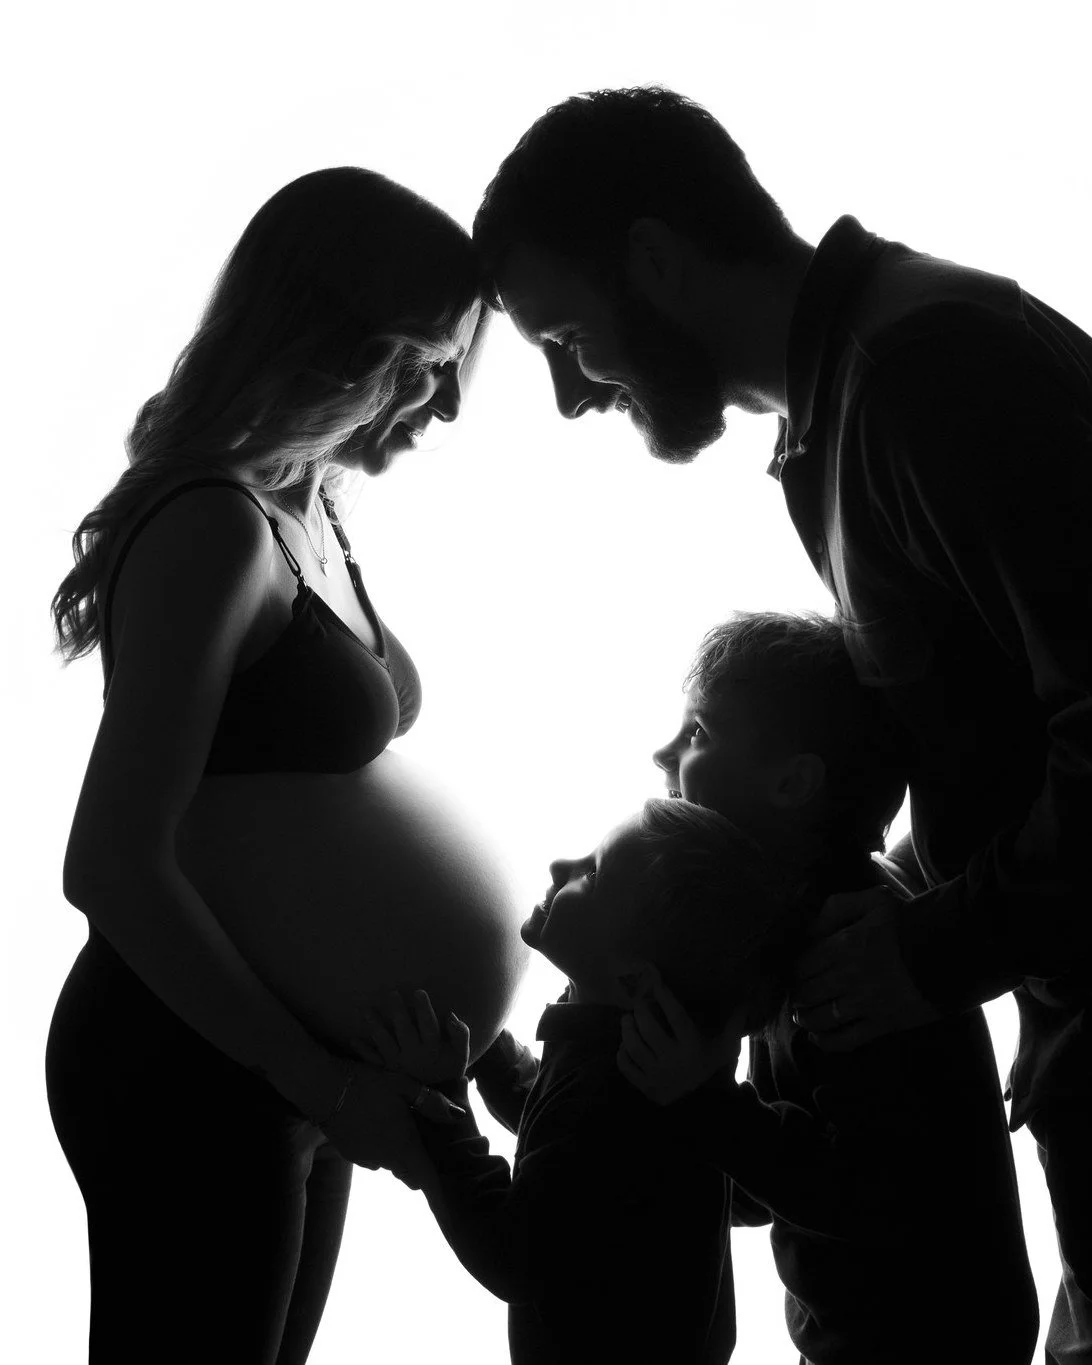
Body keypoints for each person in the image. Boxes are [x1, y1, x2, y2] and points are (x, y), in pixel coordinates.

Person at [472, 86, 1092, 1362]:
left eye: (570, 338)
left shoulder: (928, 373)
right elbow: (990, 745)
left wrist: (928, 949)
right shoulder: (844, 417)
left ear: (655, 260)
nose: (574, 396)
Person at [46, 167, 528, 1365]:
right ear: (327, 340)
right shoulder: (211, 525)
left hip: (295, 1070)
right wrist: (320, 1080)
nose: (446, 405)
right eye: (424, 362)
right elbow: (111, 865)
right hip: (193, 1061)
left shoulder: (309, 503)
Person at [621, 611, 1037, 1362]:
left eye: (698, 732)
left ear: (792, 783)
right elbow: (777, 1174)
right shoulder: (793, 931)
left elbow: (868, 1194)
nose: (662, 753)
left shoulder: (851, 966)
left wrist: (708, 1107)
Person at [356, 798, 819, 1365]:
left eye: (592, 875)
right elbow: (552, 1132)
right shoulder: (629, 1049)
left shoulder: (614, 1096)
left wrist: (442, 1107)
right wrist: (487, 1049)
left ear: (633, 981)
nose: (561, 866)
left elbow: (513, 1255)